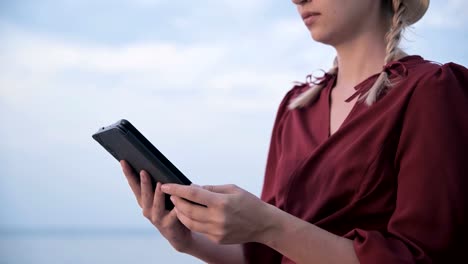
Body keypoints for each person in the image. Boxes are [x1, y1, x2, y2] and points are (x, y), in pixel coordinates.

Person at [120, 0, 468, 263]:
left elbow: (424, 255)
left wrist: (270, 225)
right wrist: (190, 241)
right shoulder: (296, 108)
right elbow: (268, 255)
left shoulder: (431, 91)